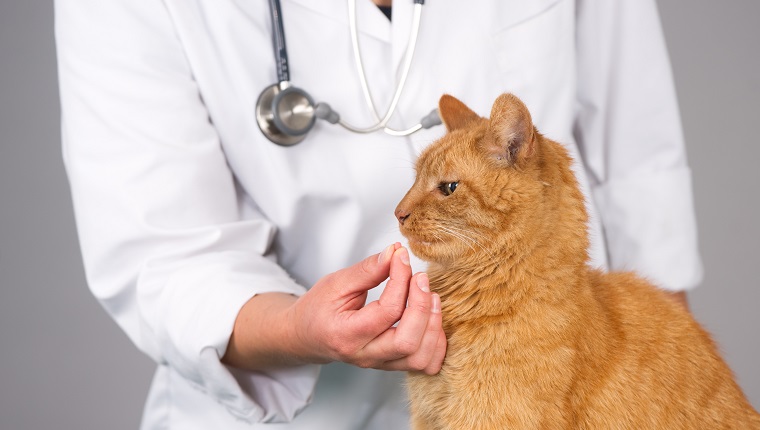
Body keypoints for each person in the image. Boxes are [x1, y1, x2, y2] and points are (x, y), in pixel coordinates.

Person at [55, 0, 702, 428]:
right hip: (290, 409)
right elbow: (162, 253)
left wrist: (671, 388)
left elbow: (639, 159)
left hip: (562, 363)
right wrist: (298, 328)